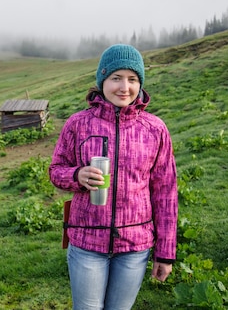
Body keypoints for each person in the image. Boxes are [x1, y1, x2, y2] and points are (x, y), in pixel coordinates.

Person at [49, 44, 178, 310]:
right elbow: (56, 171)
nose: (124, 87)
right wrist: (77, 175)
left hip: (135, 245)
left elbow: (166, 193)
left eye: (132, 80)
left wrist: (165, 253)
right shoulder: (78, 123)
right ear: (102, 81)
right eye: (116, 78)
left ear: (140, 84)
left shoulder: (155, 129)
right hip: (87, 241)